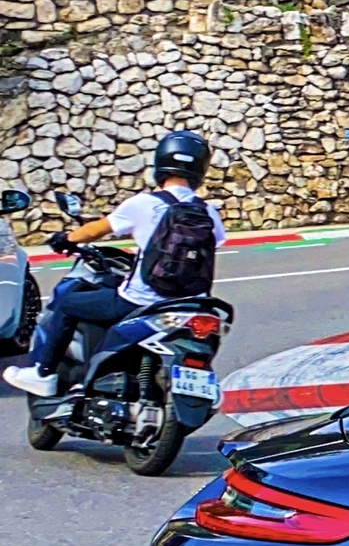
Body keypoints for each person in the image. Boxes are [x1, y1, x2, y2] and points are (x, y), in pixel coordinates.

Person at [5, 131, 225, 399]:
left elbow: (97, 230)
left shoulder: (143, 204)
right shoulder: (209, 212)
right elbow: (211, 245)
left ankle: (44, 373)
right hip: (191, 303)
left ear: (160, 164)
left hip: (142, 301)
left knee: (68, 304)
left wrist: (66, 239)